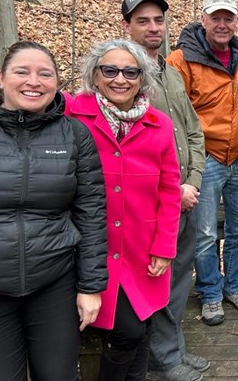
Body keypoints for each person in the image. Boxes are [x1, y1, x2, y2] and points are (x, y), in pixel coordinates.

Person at [0, 41, 107, 380]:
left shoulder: (73, 134)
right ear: (1, 77)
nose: (33, 82)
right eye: (22, 72)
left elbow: (91, 213)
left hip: (52, 283)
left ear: (57, 83)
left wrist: (91, 286)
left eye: (45, 74)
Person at [66, 39, 182, 380]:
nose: (120, 79)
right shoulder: (73, 112)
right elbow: (23, 96)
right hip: (94, 248)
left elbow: (169, 190)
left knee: (141, 327)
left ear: (141, 78)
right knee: (127, 332)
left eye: (130, 71)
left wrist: (164, 246)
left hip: (142, 248)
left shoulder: (158, 123)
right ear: (95, 74)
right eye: (110, 70)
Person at [120, 0, 211, 381]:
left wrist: (192, 182)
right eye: (143, 21)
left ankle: (171, 349)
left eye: (158, 20)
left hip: (185, 197)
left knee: (178, 277)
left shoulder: (169, 72)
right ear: (127, 26)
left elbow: (193, 132)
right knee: (156, 276)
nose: (153, 27)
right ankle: (163, 356)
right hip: (151, 202)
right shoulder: (121, 75)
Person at [167, 0, 238, 326]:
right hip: (204, 157)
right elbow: (176, 113)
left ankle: (235, 285)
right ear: (203, 19)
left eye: (228, 18)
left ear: (236, 20)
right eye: (215, 17)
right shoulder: (181, 59)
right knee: (204, 231)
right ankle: (209, 292)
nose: (222, 24)